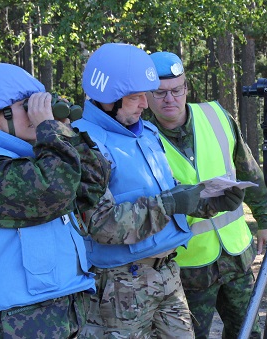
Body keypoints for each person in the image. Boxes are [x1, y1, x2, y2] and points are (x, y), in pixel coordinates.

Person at [72, 43, 244, 338]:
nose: (144, 104)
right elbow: (100, 224)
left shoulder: (148, 134)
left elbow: (172, 194)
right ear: (109, 98)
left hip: (168, 274)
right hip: (120, 287)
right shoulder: (84, 144)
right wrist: (169, 204)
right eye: (136, 96)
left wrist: (210, 200)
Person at [0, 63, 110, 338]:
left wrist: (64, 131)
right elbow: (51, 193)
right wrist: (50, 131)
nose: (38, 112)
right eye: (28, 105)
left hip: (60, 313)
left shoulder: (42, 157)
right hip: (8, 324)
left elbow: (93, 183)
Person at [146, 51, 267, 339]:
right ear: (146, 95)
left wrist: (265, 219)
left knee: (248, 334)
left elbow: (247, 169)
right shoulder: (140, 138)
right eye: (160, 92)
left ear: (186, 88)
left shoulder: (216, 117)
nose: (170, 99)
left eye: (177, 90)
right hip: (187, 267)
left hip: (236, 257)